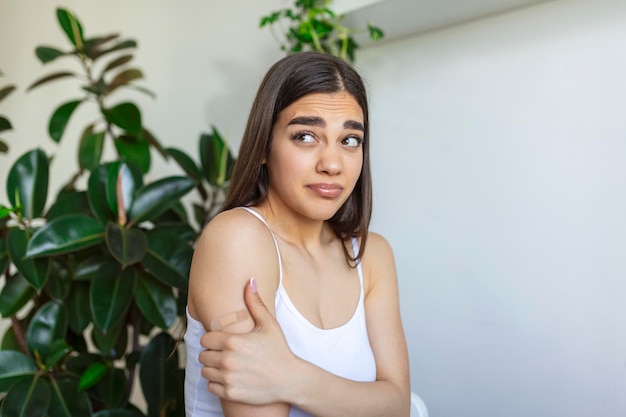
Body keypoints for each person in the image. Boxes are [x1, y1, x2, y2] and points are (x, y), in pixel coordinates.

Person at [184, 51, 410, 417]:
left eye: (349, 140)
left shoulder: (371, 254)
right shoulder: (237, 239)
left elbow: (398, 404)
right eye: (305, 136)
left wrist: (292, 378)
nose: (332, 164)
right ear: (263, 147)